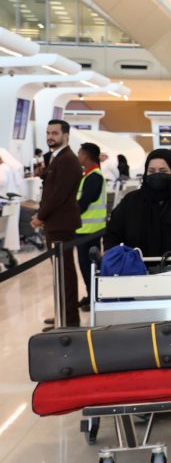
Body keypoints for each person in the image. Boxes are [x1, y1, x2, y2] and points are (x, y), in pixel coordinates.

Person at [105, 149, 171, 264]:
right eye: (152, 171)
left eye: (163, 170)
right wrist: (114, 254)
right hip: (137, 272)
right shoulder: (131, 201)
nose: (157, 174)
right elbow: (113, 233)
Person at [33, 120, 83, 328]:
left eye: (55, 133)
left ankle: (69, 320)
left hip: (61, 224)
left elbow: (58, 195)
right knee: (60, 274)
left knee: (65, 274)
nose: (50, 137)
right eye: (48, 133)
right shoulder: (57, 158)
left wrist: (40, 216)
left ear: (66, 136)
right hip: (55, 224)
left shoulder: (68, 160)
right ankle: (62, 314)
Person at [74, 142, 107, 311]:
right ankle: (91, 295)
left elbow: (84, 203)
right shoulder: (88, 175)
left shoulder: (94, 176)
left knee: (89, 266)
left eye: (79, 153)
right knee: (87, 266)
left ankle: (95, 297)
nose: (78, 156)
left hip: (89, 231)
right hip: (85, 230)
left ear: (85, 155)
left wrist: (67, 214)